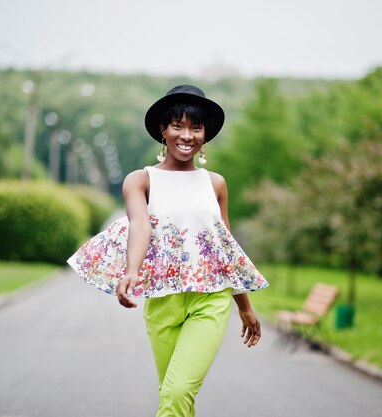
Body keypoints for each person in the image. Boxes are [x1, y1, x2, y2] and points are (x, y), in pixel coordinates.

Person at [67, 84, 268, 417]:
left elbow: (226, 250)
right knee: (172, 396)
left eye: (195, 127)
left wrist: (244, 306)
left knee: (176, 394)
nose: (186, 135)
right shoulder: (140, 180)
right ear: (163, 130)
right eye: (178, 125)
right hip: (163, 301)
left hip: (210, 300)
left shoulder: (215, 184)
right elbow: (139, 225)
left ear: (205, 135)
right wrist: (131, 272)